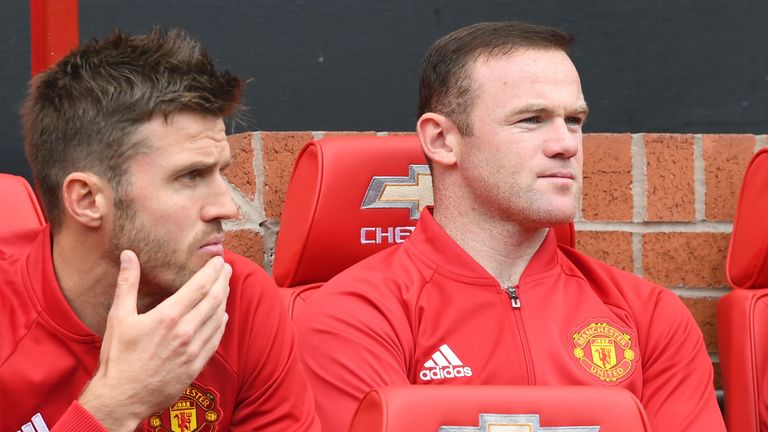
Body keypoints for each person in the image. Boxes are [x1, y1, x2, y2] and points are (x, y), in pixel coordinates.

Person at [295, 21, 725, 432]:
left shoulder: (647, 314)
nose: (566, 145)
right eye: (532, 119)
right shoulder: (355, 314)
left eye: (574, 120)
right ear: (442, 140)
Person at [1, 28, 319, 431]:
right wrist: (114, 406)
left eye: (220, 172)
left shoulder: (237, 301)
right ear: (86, 200)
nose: (226, 207)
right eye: (190, 176)